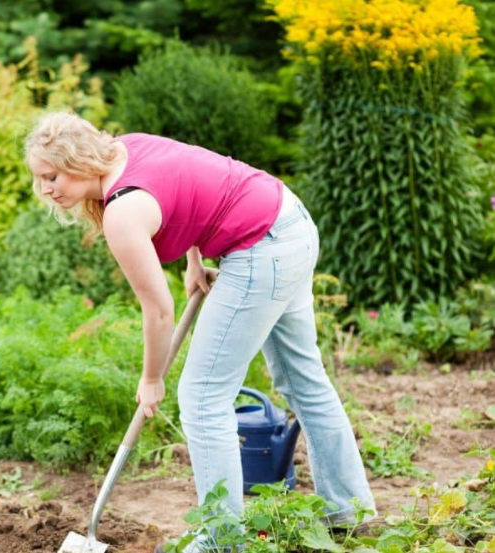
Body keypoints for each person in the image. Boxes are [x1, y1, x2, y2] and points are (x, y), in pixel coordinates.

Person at [25, 111, 375, 551]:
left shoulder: (122, 211)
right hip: (290, 222)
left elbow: (157, 311)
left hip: (261, 248)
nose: (45, 189)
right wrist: (193, 259)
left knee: (203, 396)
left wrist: (151, 380)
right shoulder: (126, 148)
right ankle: (348, 510)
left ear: (77, 160)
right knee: (302, 380)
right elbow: (191, 186)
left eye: (51, 176)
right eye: (39, 179)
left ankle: (220, 538)